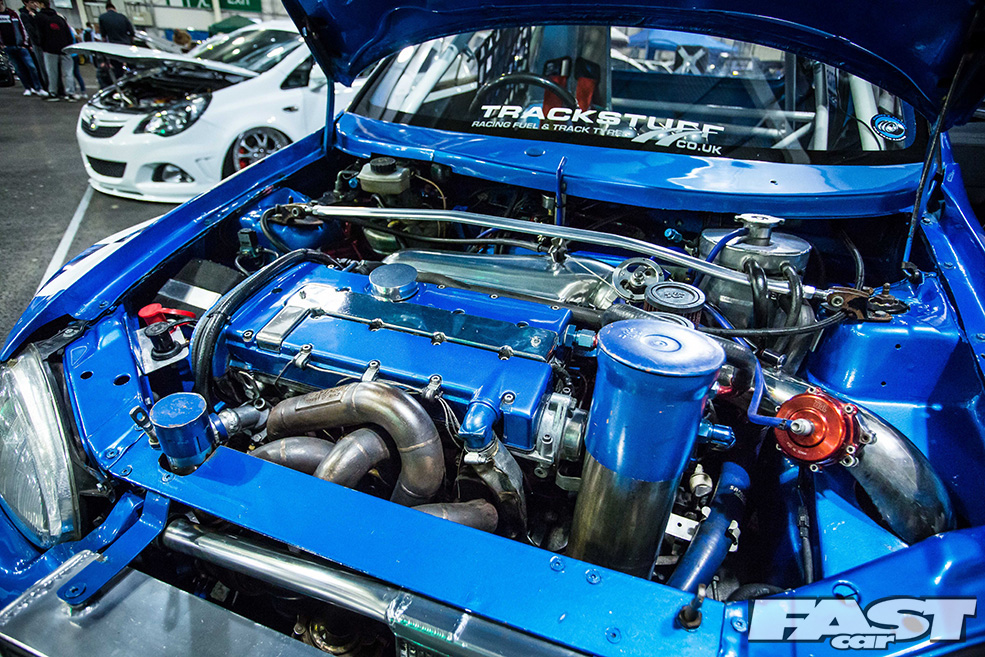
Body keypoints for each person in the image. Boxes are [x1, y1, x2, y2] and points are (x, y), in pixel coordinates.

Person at [0, 0, 45, 95]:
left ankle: (38, 87)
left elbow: (22, 28)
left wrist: (25, 42)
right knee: (19, 69)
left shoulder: (12, 13)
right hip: (8, 46)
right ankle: (28, 88)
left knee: (31, 66)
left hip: (20, 45)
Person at [35, 0, 76, 100]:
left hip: (50, 49)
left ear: (41, 4)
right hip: (65, 49)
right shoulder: (59, 18)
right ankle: (70, 93)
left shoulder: (39, 17)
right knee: (68, 73)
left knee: (52, 72)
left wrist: (41, 45)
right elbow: (68, 34)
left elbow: (39, 34)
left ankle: (53, 92)